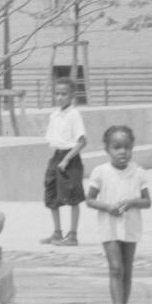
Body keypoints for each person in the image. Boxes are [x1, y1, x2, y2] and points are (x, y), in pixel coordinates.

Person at [87, 125, 152, 304]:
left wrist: (132, 202)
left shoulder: (138, 173)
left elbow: (147, 201)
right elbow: (89, 199)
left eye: (126, 147)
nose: (122, 152)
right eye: (116, 147)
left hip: (130, 225)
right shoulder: (101, 172)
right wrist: (107, 207)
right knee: (115, 267)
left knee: (127, 268)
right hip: (109, 225)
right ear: (107, 150)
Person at [43, 80, 89, 245]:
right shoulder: (54, 115)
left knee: (72, 197)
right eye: (57, 94)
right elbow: (54, 139)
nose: (60, 97)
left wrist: (67, 159)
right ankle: (57, 232)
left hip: (70, 158)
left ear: (72, 96)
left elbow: (82, 141)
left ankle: (73, 235)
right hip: (57, 156)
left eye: (64, 94)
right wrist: (57, 160)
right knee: (51, 193)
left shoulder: (74, 114)